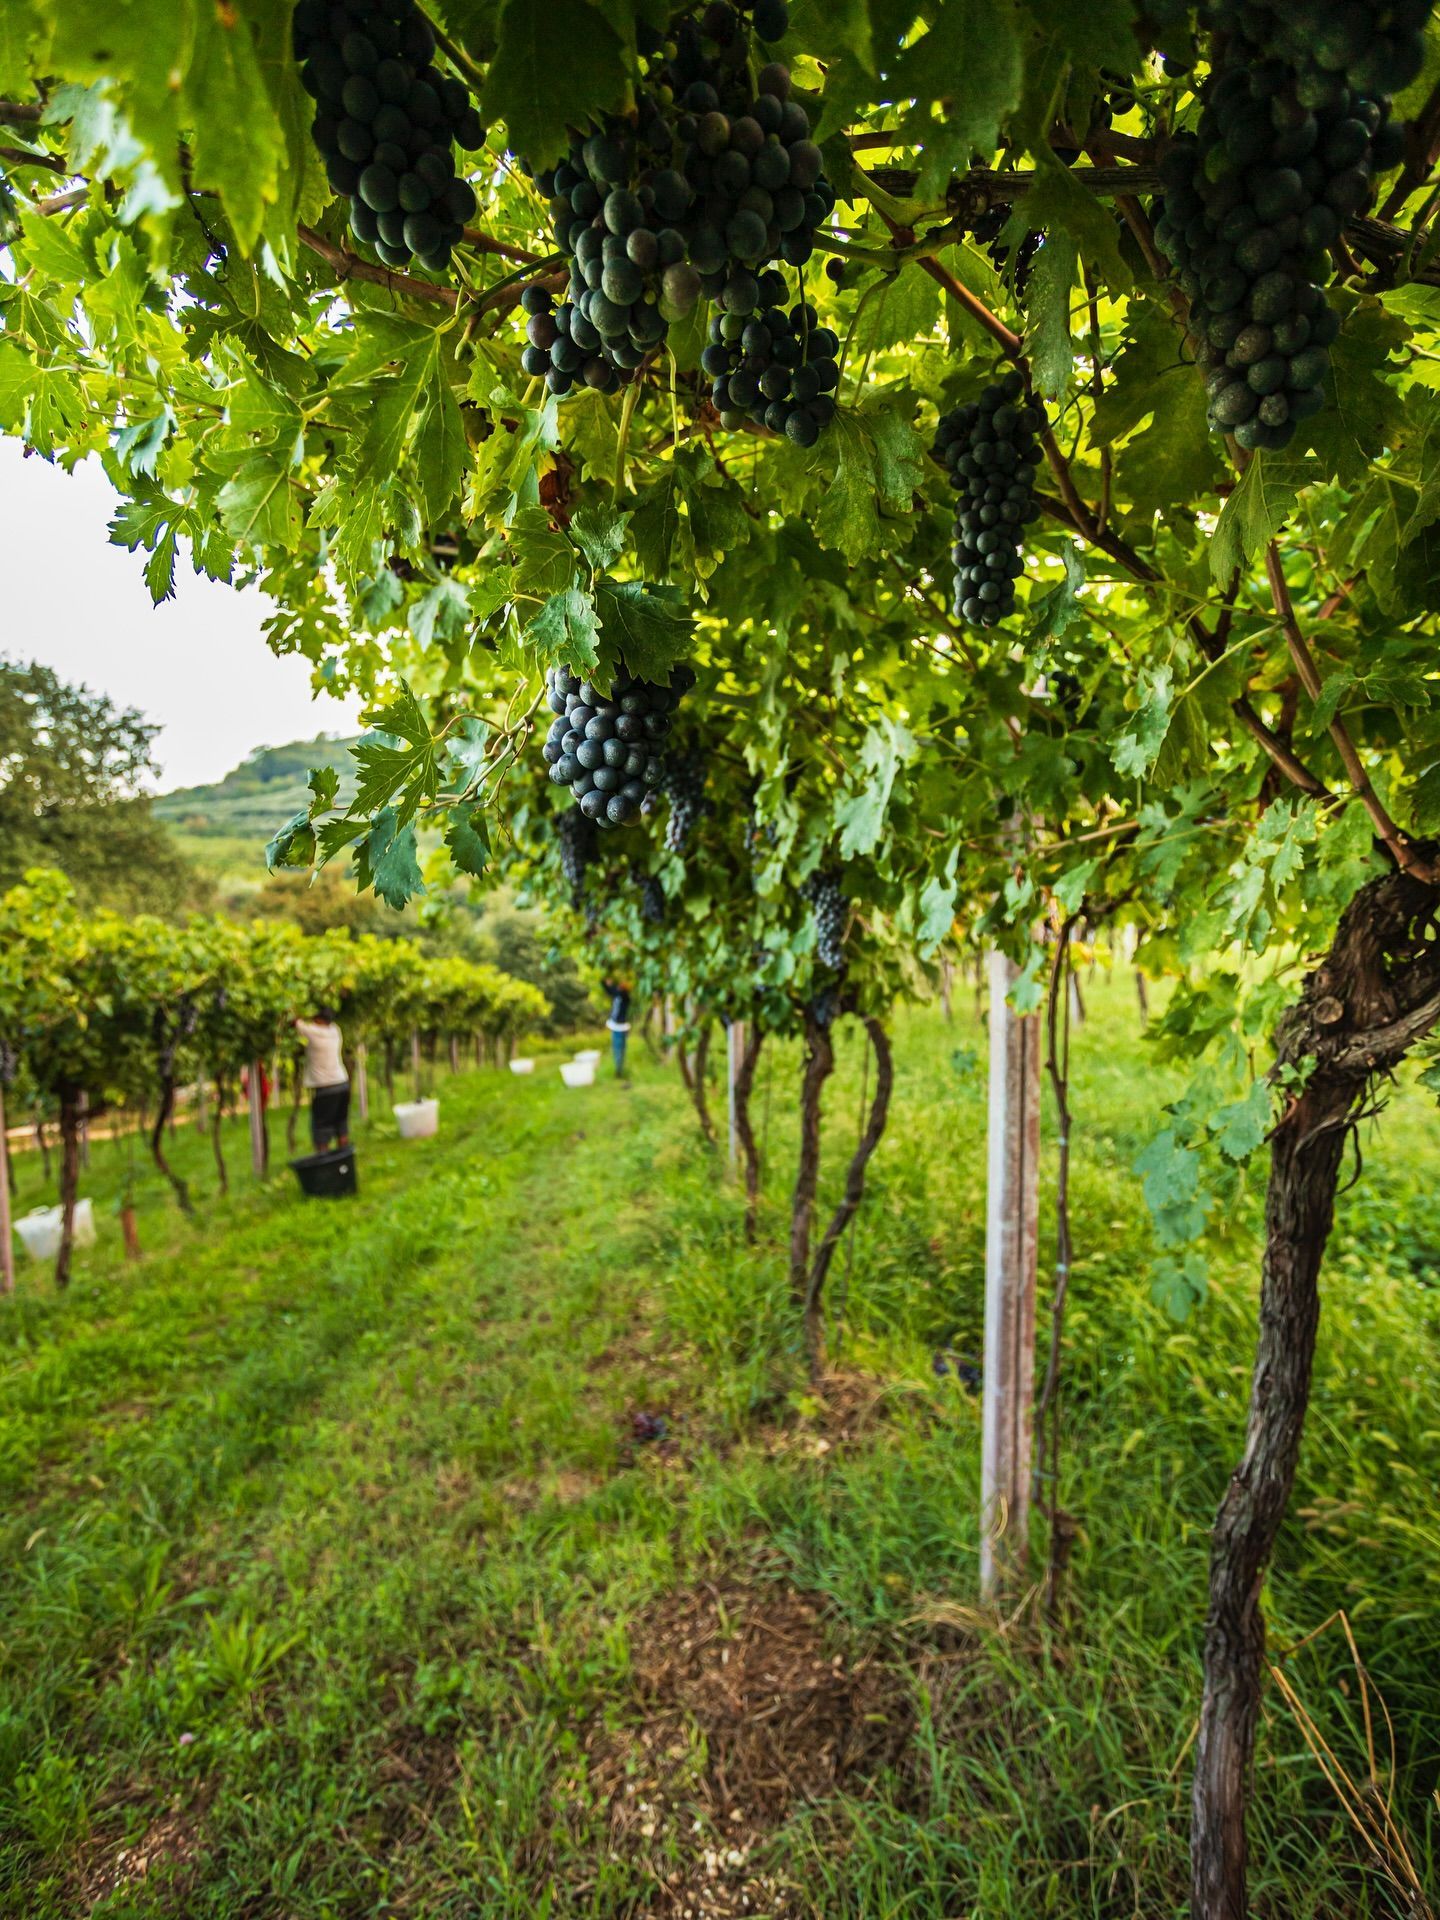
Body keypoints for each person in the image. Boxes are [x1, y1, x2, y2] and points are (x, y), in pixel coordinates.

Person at [293, 1005, 350, 1150]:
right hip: (342, 1083)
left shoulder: (311, 1031)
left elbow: (294, 1021)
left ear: (318, 1019)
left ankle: (324, 1162)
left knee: (320, 1128)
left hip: (325, 1087)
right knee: (341, 1123)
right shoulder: (335, 1030)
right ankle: (343, 1158)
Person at [602, 979, 632, 1078]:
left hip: (621, 1027)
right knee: (617, 1048)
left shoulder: (625, 997)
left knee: (619, 1048)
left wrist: (614, 984)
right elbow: (608, 988)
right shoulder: (617, 996)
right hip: (615, 1026)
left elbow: (619, 991)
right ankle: (618, 1069)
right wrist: (607, 982)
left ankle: (619, 1070)